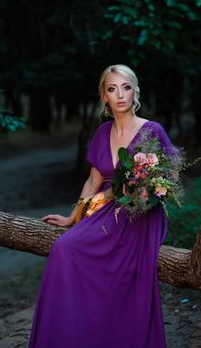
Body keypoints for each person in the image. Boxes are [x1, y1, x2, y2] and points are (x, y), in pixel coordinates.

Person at [28, 64, 177, 348]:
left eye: (126, 87)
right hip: (108, 208)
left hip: (140, 213)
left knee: (120, 273)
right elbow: (93, 182)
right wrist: (73, 217)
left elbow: (170, 177)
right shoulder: (102, 132)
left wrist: (145, 190)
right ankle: (75, 334)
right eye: (112, 89)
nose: (120, 94)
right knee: (64, 248)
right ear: (104, 97)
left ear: (135, 92)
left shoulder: (152, 130)